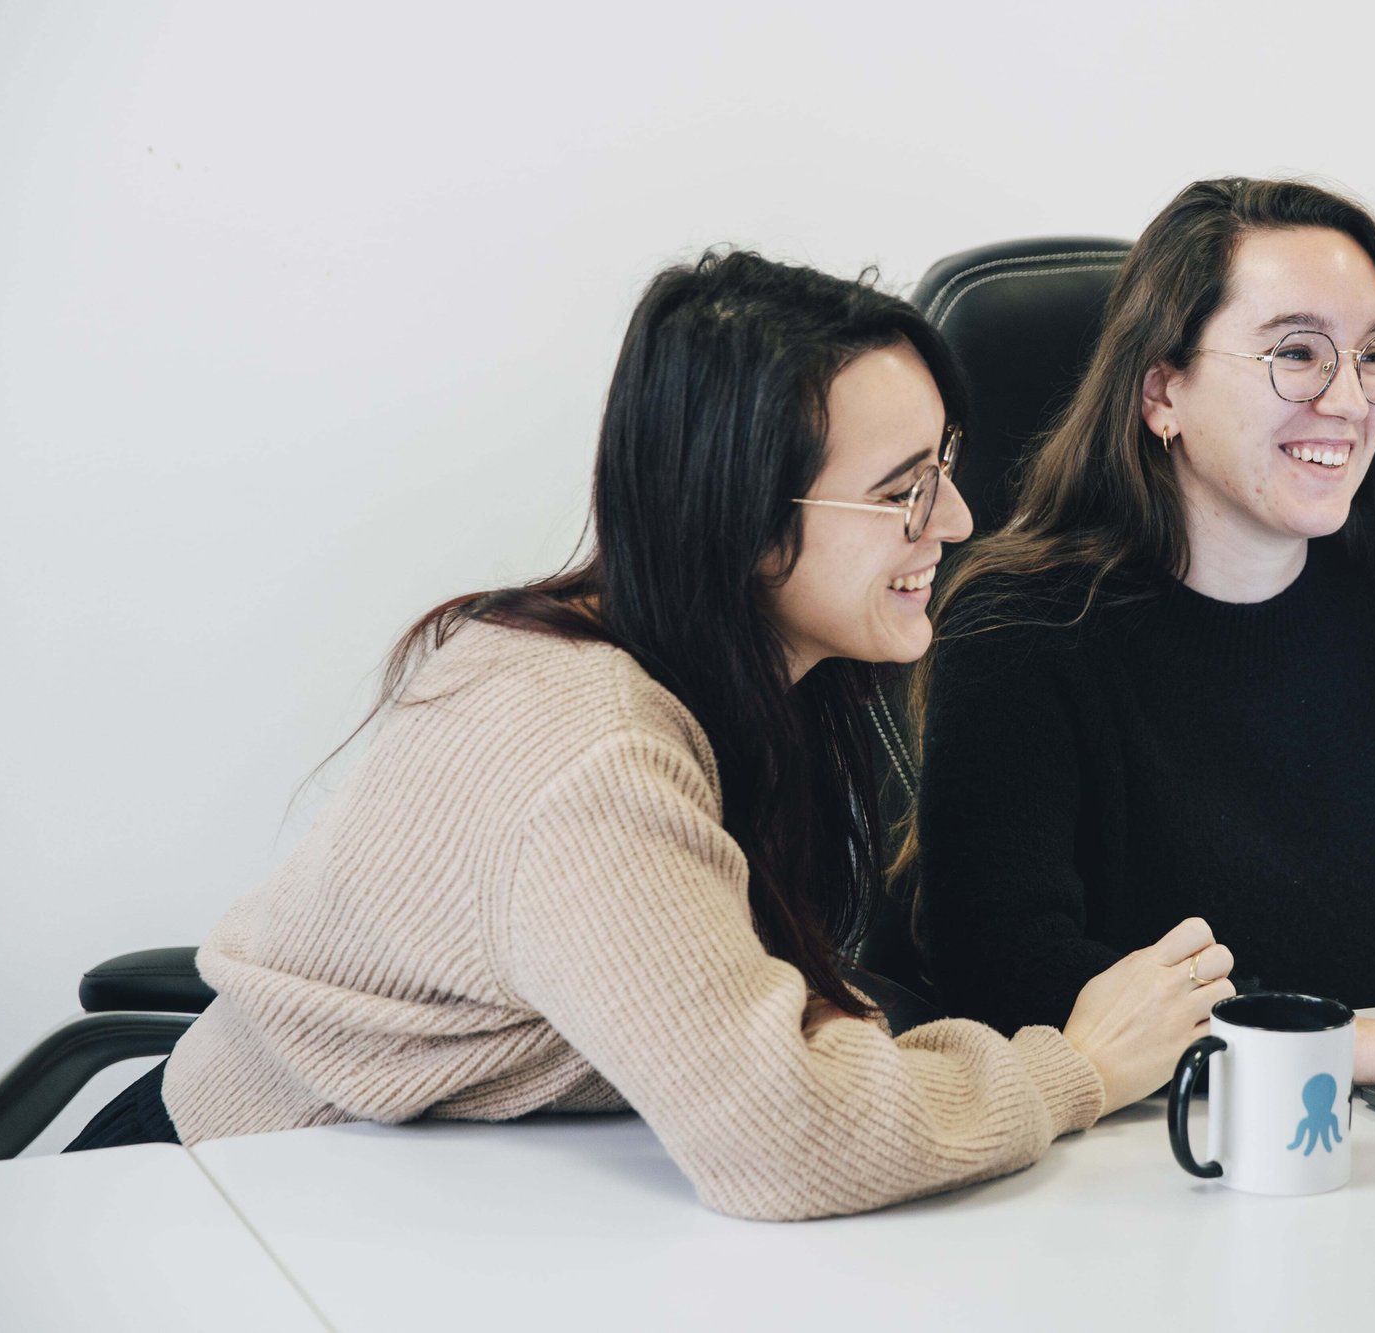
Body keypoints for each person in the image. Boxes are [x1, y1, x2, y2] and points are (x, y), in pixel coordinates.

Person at [67, 250, 1236, 1221]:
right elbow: (789, 1137)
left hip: (397, 1197)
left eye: (943, 467)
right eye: (900, 492)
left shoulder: (722, 676)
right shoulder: (595, 755)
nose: (958, 519)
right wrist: (1075, 1069)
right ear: (745, 521)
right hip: (226, 1210)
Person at [905, 178, 1375, 1088]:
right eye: (1297, 352)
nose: (1350, 400)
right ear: (1161, 390)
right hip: (1167, 1144)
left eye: (1372, 356)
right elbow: (1007, 974)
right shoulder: (1020, 628)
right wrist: (1361, 1050)